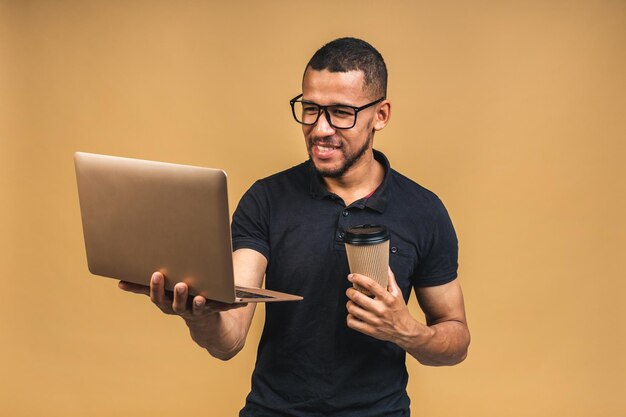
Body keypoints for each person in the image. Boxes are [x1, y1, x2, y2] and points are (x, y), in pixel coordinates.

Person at [119, 37, 470, 417]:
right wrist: (198, 316)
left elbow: (456, 339)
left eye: (340, 113)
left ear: (380, 115)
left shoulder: (423, 211)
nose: (320, 129)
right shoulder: (266, 200)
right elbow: (230, 339)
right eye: (310, 109)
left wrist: (406, 330)